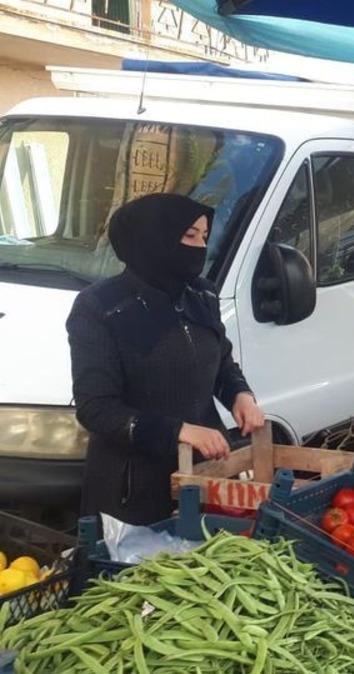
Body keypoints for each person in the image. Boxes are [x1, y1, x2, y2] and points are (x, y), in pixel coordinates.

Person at [66, 194, 266, 525]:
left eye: (204, 237)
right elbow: (95, 407)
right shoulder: (99, 307)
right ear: (153, 237)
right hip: (133, 486)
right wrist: (178, 431)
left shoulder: (201, 295)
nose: (199, 247)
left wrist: (239, 394)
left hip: (204, 472)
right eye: (190, 236)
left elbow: (221, 363)